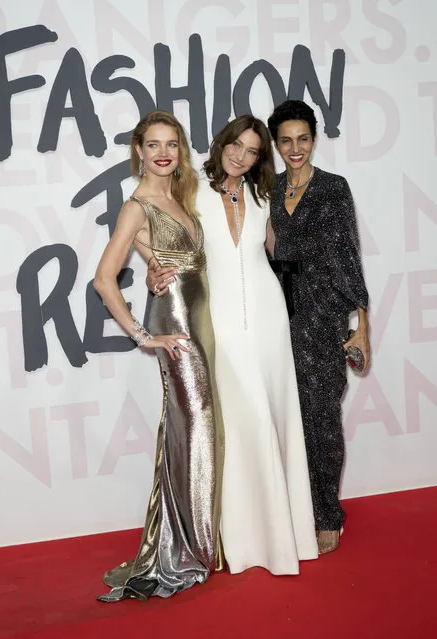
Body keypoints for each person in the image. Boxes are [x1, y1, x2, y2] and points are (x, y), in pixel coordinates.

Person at [148, 115, 318, 575]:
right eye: (235, 145)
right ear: (220, 143)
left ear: (260, 157)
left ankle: (289, 532)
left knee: (275, 412)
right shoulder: (191, 189)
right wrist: (152, 264)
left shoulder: (264, 195)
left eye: (252, 150)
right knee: (239, 421)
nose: (241, 156)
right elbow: (157, 227)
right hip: (219, 317)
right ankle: (240, 539)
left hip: (267, 315)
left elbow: (276, 251)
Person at [93, 110, 224, 602]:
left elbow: (169, 260)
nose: (164, 152)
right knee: (197, 425)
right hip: (175, 330)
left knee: (191, 429)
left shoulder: (178, 197)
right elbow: (104, 279)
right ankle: (191, 548)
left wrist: (151, 265)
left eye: (172, 144)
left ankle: (191, 536)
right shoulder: (137, 205)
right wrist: (142, 335)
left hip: (201, 326)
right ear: (139, 151)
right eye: (153, 145)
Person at [267, 99, 370, 554]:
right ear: (275, 144)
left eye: (303, 139)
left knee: (322, 419)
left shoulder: (333, 188)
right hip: (275, 312)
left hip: (322, 315)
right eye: (286, 140)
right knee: (285, 417)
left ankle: (328, 514)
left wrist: (360, 324)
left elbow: (348, 258)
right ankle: (295, 506)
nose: (295, 148)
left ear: (314, 139)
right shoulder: (267, 189)